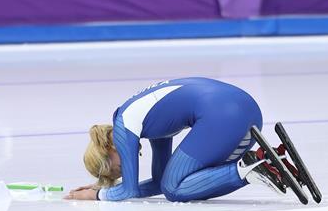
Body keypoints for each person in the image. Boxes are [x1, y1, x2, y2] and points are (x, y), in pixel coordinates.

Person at [65, 77, 283, 202]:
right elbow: (160, 182)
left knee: (174, 189)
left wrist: (96, 196)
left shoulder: (123, 126)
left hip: (221, 115)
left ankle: (249, 169)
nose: (120, 174)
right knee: (176, 183)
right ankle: (262, 165)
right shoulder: (146, 122)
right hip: (247, 110)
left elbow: (128, 191)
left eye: (113, 170)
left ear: (107, 147)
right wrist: (101, 188)